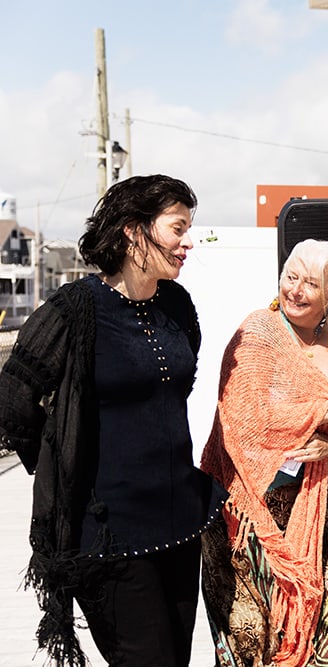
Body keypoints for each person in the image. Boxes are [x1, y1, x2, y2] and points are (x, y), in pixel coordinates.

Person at [0, 175, 227, 666]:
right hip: (109, 535)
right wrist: (64, 463)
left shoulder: (177, 304)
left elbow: (172, 391)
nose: (189, 242)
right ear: (133, 231)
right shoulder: (72, 311)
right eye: (177, 228)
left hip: (180, 525)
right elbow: (14, 401)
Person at [199, 239, 328, 666]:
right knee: (255, 634)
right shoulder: (259, 332)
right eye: (291, 277)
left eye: (310, 283)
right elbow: (246, 418)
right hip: (251, 512)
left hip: (322, 509)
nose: (295, 290)